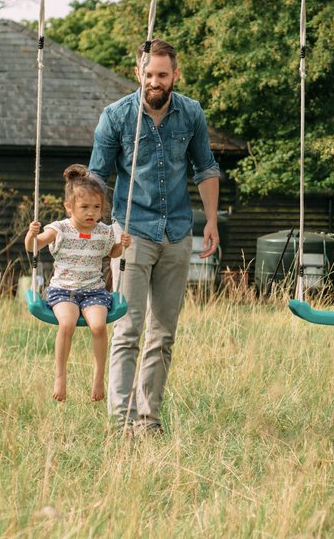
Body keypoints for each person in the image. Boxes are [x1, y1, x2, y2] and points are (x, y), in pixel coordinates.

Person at [90, 38, 221, 435]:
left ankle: (149, 419)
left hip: (178, 232)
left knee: (163, 333)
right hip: (132, 233)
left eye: (162, 75)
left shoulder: (191, 113)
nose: (155, 82)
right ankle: (121, 420)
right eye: (148, 75)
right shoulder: (115, 117)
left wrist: (211, 221)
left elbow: (205, 167)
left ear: (175, 75)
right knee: (128, 329)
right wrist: (94, 233)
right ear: (138, 74)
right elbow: (96, 177)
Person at [24, 165, 132, 403]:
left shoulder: (104, 232)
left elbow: (113, 253)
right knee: (67, 323)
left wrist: (122, 245)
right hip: (64, 291)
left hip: (94, 291)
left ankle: (98, 377)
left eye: (97, 207)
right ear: (69, 207)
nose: (91, 213)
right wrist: (31, 234)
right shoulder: (59, 229)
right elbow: (33, 246)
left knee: (98, 326)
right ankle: (60, 376)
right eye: (84, 207)